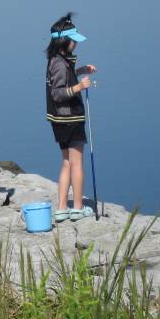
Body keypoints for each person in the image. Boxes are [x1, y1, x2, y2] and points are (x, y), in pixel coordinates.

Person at [45, 12, 97, 222]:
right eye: (73, 40)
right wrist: (79, 86)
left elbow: (65, 75)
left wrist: (81, 69)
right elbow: (58, 93)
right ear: (64, 41)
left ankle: (60, 209)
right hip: (69, 119)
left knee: (66, 162)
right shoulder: (59, 63)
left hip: (59, 121)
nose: (76, 44)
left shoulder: (57, 60)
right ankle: (76, 208)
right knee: (77, 162)